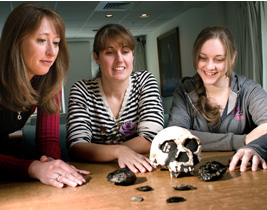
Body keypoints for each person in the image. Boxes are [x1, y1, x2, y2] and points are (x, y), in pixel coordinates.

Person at [0, 3, 90, 188]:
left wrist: (51, 164)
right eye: (41, 40)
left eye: (56, 42)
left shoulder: (49, 79)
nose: (51, 52)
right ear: (15, 41)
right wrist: (32, 168)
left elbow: (47, 139)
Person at [167, 25, 267, 173]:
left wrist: (255, 147)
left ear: (232, 58)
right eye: (203, 58)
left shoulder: (249, 90)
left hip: (242, 170)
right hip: (196, 173)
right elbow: (175, 135)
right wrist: (243, 140)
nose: (210, 66)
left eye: (219, 59)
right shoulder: (184, 91)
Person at [66, 23, 164, 173]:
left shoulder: (145, 80)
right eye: (110, 52)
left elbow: (152, 139)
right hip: (97, 175)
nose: (119, 59)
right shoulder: (82, 90)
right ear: (97, 58)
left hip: (143, 170)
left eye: (125, 51)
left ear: (132, 55)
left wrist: (108, 151)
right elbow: (77, 146)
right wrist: (118, 152)